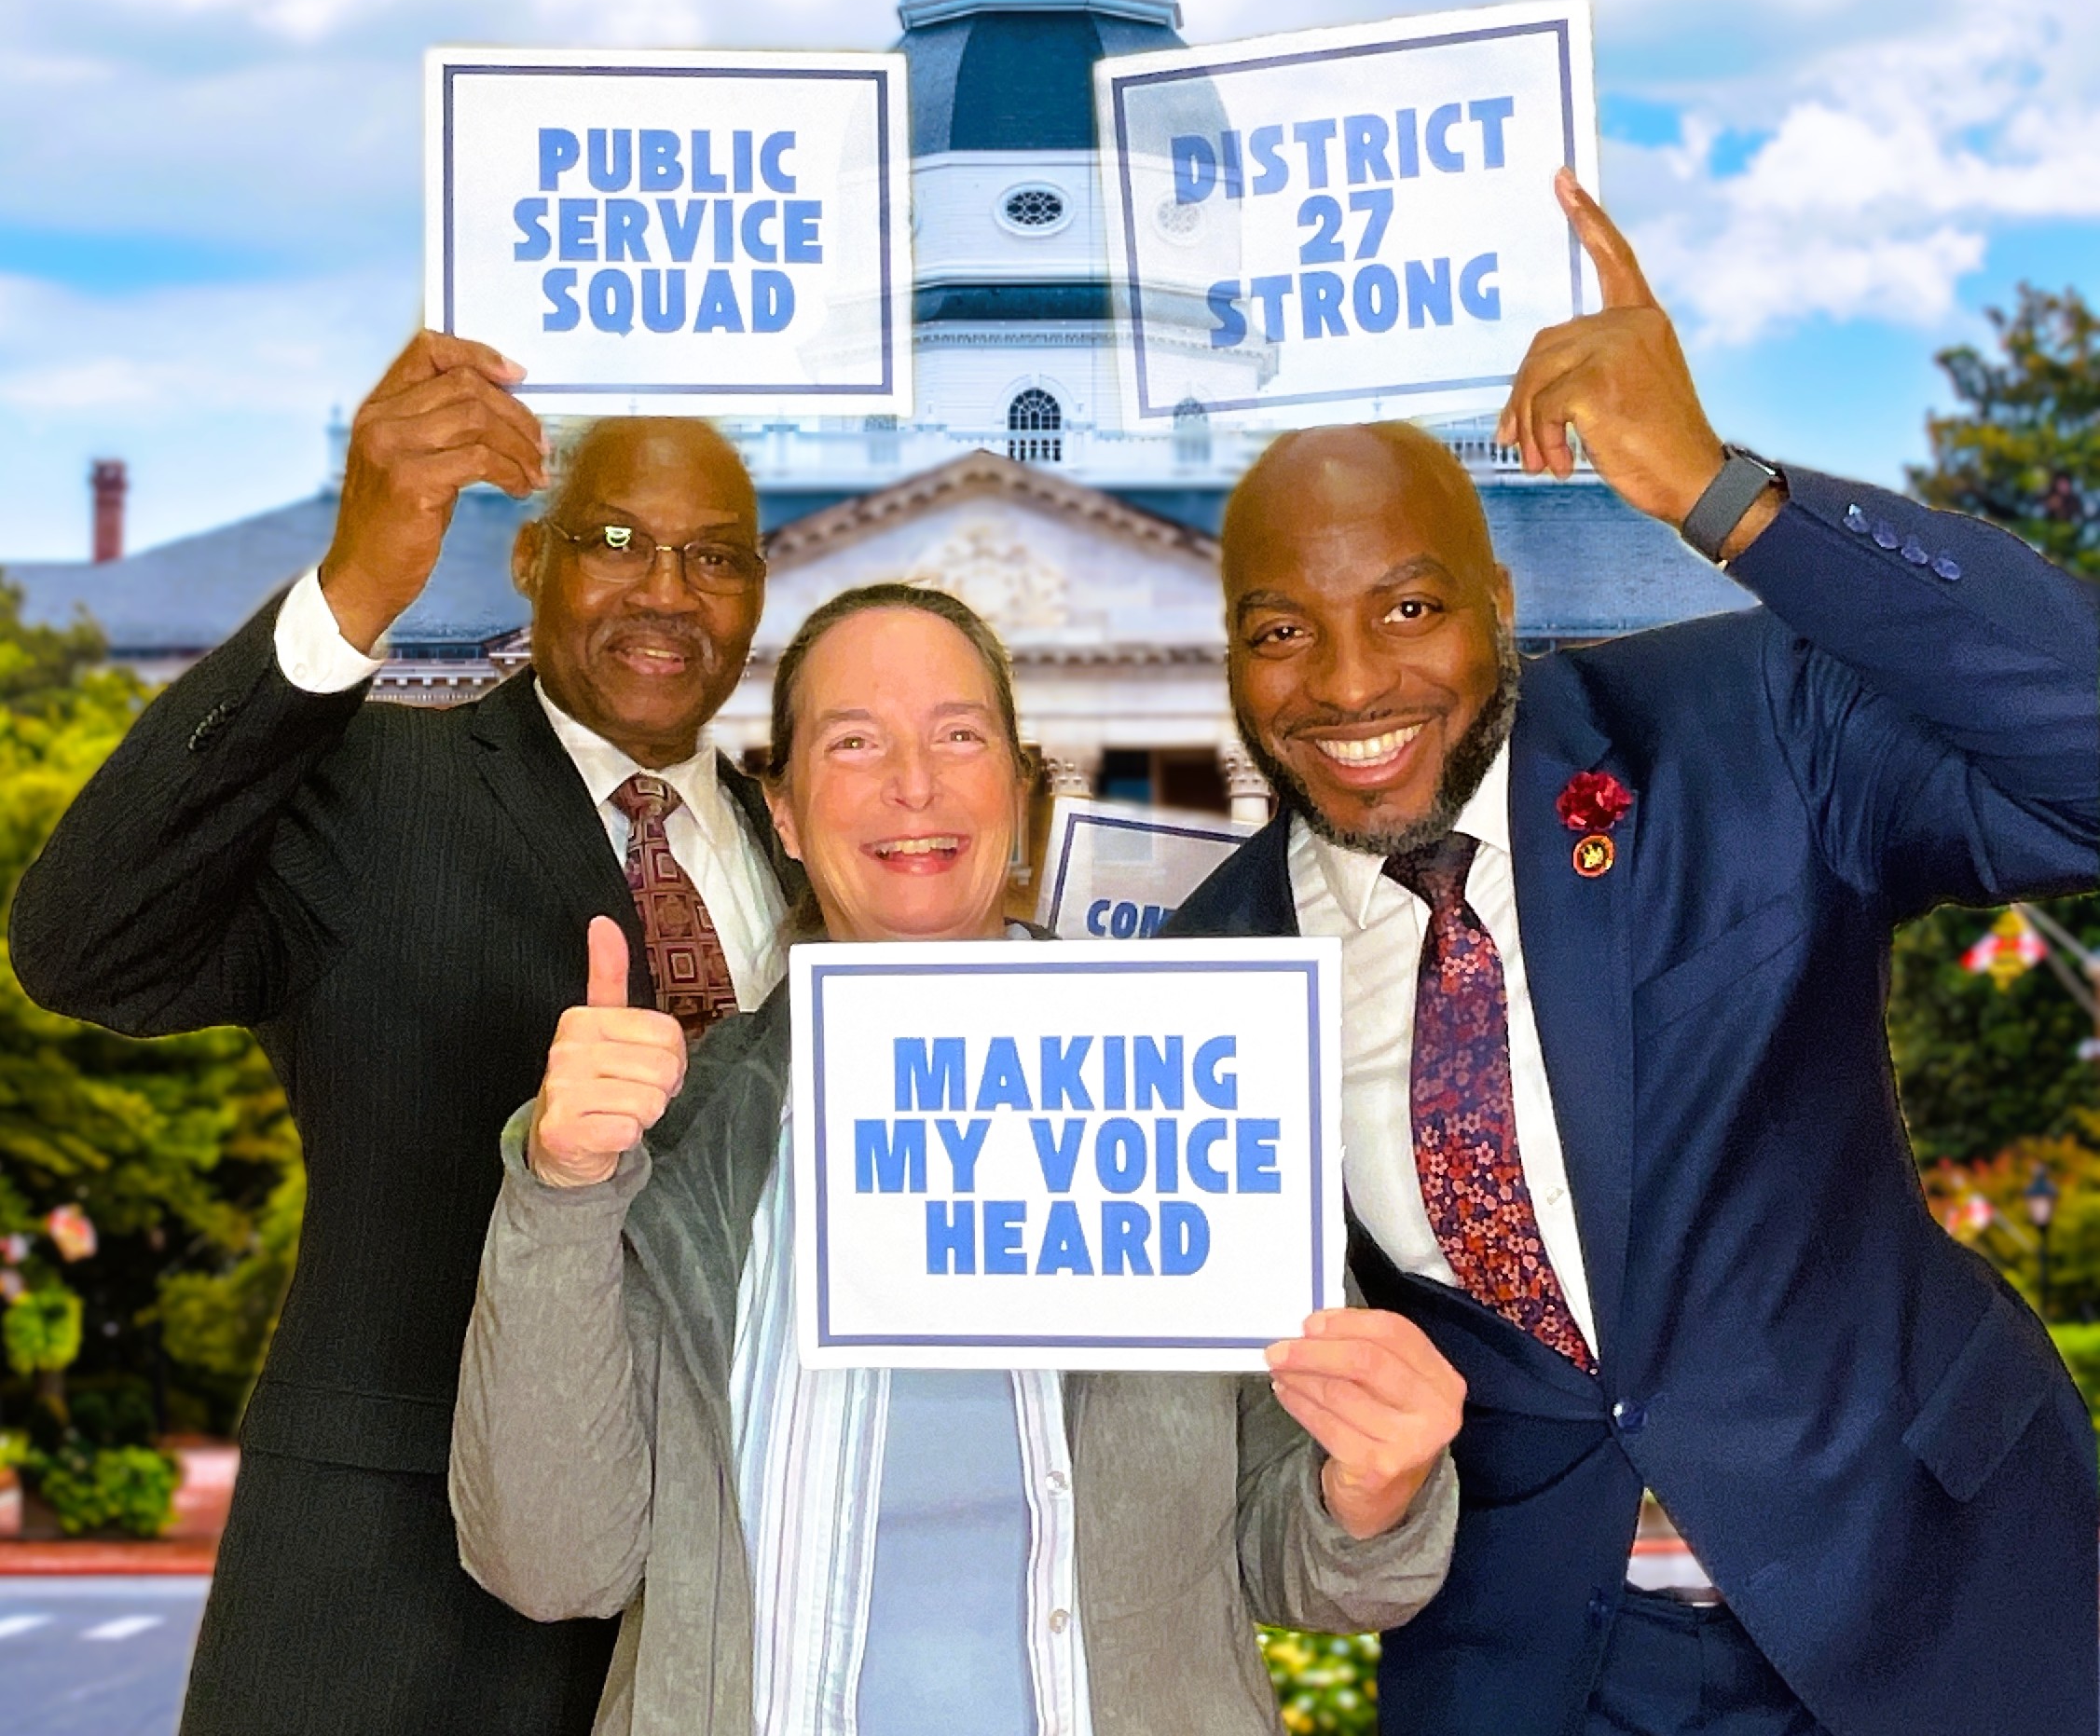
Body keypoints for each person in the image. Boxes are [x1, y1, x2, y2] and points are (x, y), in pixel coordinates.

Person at [1167, 172, 2100, 1736]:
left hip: (1927, 1595)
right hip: (1535, 1664)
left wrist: (1723, 496)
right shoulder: (1211, 962)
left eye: (1407, 606)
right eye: (1279, 631)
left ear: (1498, 604)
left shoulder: (1740, 726)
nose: (1347, 681)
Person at [449, 581, 1466, 1736]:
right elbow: (551, 1563)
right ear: (783, 813)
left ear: (1021, 793)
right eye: (854, 741)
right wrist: (563, 1188)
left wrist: (1375, 1479)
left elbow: (1318, 1568)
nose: (914, 784)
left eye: (959, 735)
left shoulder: (1186, 1084)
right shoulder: (672, 1133)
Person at [8, 334, 800, 1736]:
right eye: (615, 540)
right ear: (530, 558)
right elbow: (86, 947)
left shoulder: (815, 873)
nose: (666, 590)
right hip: (397, 1621)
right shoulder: (373, 786)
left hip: (737, 1619)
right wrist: (357, 589)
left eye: (715, 556)